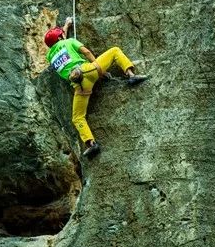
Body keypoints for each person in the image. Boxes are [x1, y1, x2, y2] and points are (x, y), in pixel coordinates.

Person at [44, 17, 147, 158]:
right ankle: (131, 75)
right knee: (115, 51)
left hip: (79, 85)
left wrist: (66, 26)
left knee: (77, 117)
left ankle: (91, 143)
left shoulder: (49, 56)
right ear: (61, 37)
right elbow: (86, 52)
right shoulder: (69, 41)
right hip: (88, 70)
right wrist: (100, 70)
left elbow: (60, 43)